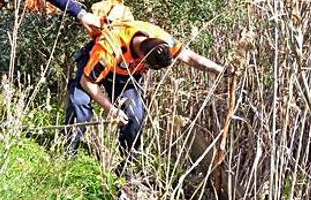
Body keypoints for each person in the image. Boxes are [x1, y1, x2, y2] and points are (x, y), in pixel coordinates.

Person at [65, 18, 227, 172]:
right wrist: (111, 110)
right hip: (97, 67)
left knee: (135, 116)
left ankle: (125, 167)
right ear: (142, 58)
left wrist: (221, 71)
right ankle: (68, 154)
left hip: (126, 77)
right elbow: (88, 83)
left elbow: (189, 57)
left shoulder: (162, 40)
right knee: (79, 102)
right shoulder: (111, 46)